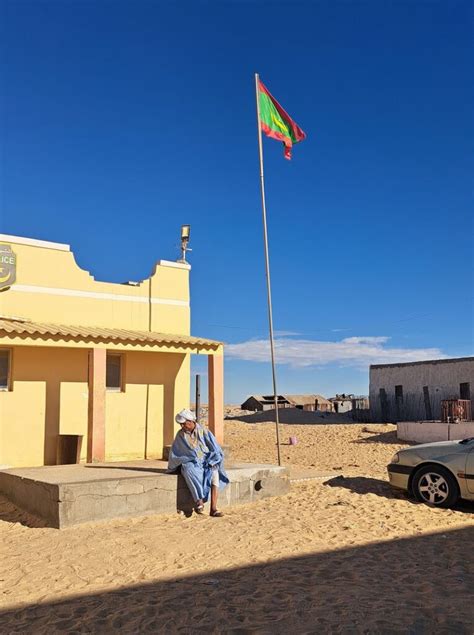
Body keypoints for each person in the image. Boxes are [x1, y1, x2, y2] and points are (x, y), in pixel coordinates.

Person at [167, 408, 228, 517]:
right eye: (181, 424)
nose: (183, 426)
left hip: (206, 460)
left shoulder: (204, 431)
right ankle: (198, 501)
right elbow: (176, 452)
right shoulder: (181, 435)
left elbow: (215, 448)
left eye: (184, 424)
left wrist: (213, 459)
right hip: (190, 461)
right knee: (188, 469)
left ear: (191, 422)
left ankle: (213, 508)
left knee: (214, 473)